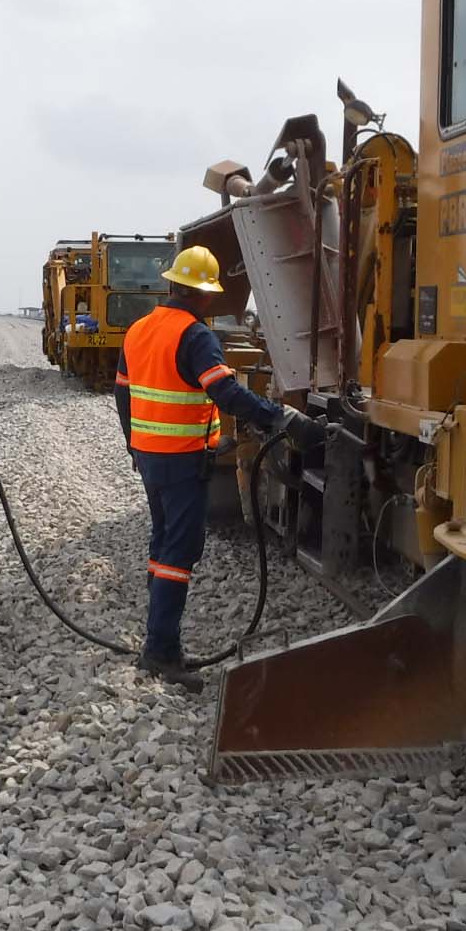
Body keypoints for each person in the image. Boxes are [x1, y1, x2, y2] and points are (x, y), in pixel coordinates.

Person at [115, 245, 325, 690]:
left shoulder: (138, 330)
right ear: (206, 295)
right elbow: (226, 394)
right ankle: (160, 651)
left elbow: (123, 394)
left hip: (150, 459)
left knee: (162, 541)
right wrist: (283, 418)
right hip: (181, 462)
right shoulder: (195, 336)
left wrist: (135, 446)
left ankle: (159, 641)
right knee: (180, 552)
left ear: (171, 283)